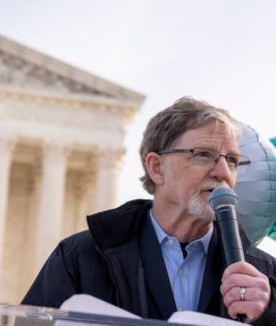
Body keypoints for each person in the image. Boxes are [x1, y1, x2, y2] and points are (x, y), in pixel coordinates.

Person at [22, 97, 276, 325]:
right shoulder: (80, 257)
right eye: (204, 155)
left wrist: (269, 310)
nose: (222, 173)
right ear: (156, 167)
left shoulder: (264, 272)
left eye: (231, 160)